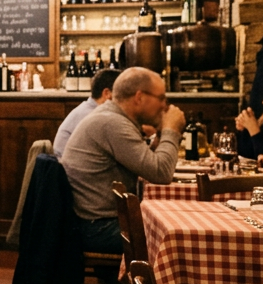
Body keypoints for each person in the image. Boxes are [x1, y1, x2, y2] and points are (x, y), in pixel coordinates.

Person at [61, 68, 184, 254]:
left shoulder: (113, 117)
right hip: (97, 228)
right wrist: (171, 130)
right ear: (139, 97)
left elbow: (147, 164)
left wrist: (160, 137)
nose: (164, 105)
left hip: (97, 222)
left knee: (171, 223)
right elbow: (161, 173)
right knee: (175, 237)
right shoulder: (112, 123)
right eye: (161, 98)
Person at [53, 68, 122, 157]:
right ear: (107, 93)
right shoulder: (95, 116)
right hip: (67, 168)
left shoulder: (89, 109)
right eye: (123, 93)